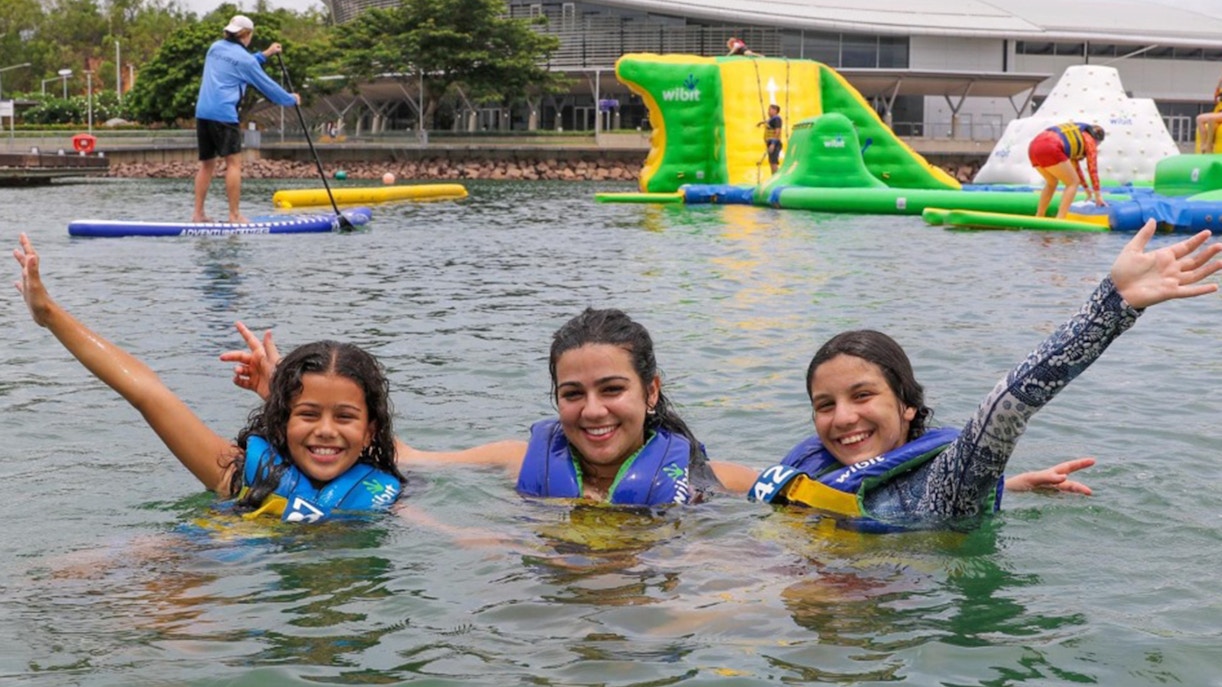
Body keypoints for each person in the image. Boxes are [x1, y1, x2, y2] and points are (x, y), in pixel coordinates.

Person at [225, 310, 1096, 508]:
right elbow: (399, 455)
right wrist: (280, 394)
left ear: (651, 392)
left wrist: (1008, 481)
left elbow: (812, 485)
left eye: (613, 390)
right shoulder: (525, 457)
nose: (594, 410)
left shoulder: (694, 476)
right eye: (574, 393)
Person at [750, 220, 1222, 531]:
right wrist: (1008, 485)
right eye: (825, 405)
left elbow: (1009, 406)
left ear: (907, 404)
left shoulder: (945, 484)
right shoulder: (815, 467)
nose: (844, 418)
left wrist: (1112, 305)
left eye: (862, 395)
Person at [12, 234, 404, 523]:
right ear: (281, 420)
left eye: (345, 417)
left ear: (371, 431)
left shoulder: (384, 497)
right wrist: (49, 315)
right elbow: (148, 393)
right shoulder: (236, 474)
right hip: (196, 571)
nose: (325, 430)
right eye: (308, 413)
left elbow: (444, 523)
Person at [193, 14, 300, 224]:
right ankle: (234, 216)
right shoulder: (245, 60)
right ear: (247, 35)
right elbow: (266, 85)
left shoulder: (214, 48)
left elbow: (242, 63)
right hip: (223, 114)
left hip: (202, 112)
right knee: (233, 164)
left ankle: (198, 214)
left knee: (206, 165)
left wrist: (266, 54)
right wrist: (290, 99)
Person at [1027, 121, 1106, 220]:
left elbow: (1075, 168)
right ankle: (1060, 218)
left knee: (1052, 182)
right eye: (1098, 144)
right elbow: (1092, 168)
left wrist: (1086, 188)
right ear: (1096, 139)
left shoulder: (1076, 136)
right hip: (1051, 146)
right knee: (1072, 183)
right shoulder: (1090, 140)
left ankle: (1039, 215)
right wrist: (1098, 196)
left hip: (1033, 147)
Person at [1196, 77, 1222, 154]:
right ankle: (1205, 144)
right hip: (1218, 112)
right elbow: (1215, 98)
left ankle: (1208, 144)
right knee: (1202, 119)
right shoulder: (1220, 92)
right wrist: (1219, 83)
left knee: (1207, 119)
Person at [758, 104, 783, 174]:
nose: (768, 111)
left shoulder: (777, 119)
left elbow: (777, 131)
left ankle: (776, 179)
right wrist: (761, 123)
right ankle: (773, 178)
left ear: (775, 111)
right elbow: (768, 122)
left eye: (770, 110)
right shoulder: (772, 119)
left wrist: (773, 144)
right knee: (772, 162)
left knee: (773, 162)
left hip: (774, 144)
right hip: (771, 144)